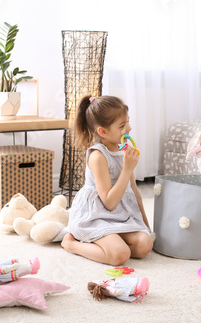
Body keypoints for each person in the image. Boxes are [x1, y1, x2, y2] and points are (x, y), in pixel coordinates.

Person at [62, 95, 153, 266]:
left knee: (144, 245)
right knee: (120, 255)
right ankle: (72, 244)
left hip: (121, 216)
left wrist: (146, 228)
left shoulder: (124, 150)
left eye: (128, 121)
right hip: (97, 216)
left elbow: (134, 191)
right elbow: (109, 203)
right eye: (122, 125)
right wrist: (127, 169)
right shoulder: (98, 156)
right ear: (103, 132)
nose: (129, 128)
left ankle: (111, 240)